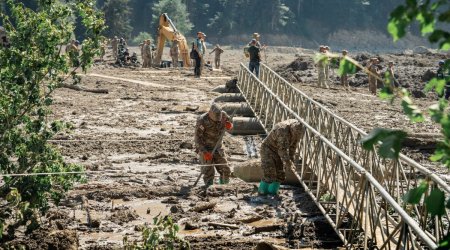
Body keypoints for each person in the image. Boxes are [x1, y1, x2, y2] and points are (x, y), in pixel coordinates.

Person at [258, 119, 304, 195]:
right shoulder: (282, 130)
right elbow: (282, 150)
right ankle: (262, 194)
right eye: (294, 134)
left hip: (278, 151)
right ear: (292, 130)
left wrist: (291, 159)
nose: (296, 136)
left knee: (280, 174)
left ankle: (273, 193)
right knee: (269, 173)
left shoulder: (299, 130)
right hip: (268, 149)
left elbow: (293, 146)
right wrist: (288, 163)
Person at [194, 103, 234, 186]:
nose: (217, 120)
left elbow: (230, 122)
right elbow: (197, 139)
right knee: (208, 172)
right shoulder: (202, 120)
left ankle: (223, 187)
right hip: (206, 148)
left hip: (218, 148)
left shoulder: (223, 115)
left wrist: (229, 125)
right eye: (215, 118)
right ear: (210, 113)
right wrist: (204, 152)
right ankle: (209, 189)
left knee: (225, 170)